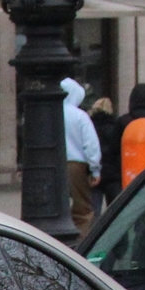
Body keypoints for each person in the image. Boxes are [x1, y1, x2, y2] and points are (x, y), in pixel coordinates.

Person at [61, 77, 102, 228]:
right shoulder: (80, 116)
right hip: (76, 165)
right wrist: (95, 169)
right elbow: (90, 144)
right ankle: (80, 242)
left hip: (53, 163)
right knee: (82, 209)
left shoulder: (50, 112)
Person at [91, 95, 124, 205]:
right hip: (112, 174)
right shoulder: (115, 126)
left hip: (94, 172)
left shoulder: (90, 126)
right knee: (115, 207)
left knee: (94, 210)